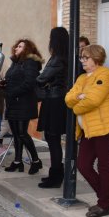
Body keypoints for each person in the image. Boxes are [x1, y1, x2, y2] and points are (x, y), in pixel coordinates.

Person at [66, 45, 109, 217]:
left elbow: (93, 100)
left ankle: (104, 204)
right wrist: (78, 97)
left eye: (86, 58)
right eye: (81, 58)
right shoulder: (82, 78)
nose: (82, 61)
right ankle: (108, 200)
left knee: (104, 166)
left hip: (107, 129)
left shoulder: (105, 74)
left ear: (96, 58)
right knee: (83, 165)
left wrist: (77, 107)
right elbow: (68, 98)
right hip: (89, 130)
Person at [0, 39, 44, 174]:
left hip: (24, 103)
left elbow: (29, 83)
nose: (16, 48)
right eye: (17, 46)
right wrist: (4, 83)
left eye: (20, 46)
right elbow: (14, 80)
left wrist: (12, 92)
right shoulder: (16, 63)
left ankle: (36, 161)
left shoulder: (30, 62)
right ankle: (17, 162)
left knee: (22, 133)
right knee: (16, 134)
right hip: (13, 102)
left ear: (28, 49)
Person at [36, 27, 69, 188]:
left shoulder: (57, 58)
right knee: (53, 139)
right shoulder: (67, 57)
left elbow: (42, 79)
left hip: (54, 101)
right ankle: (56, 174)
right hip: (59, 101)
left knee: (52, 139)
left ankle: (56, 176)